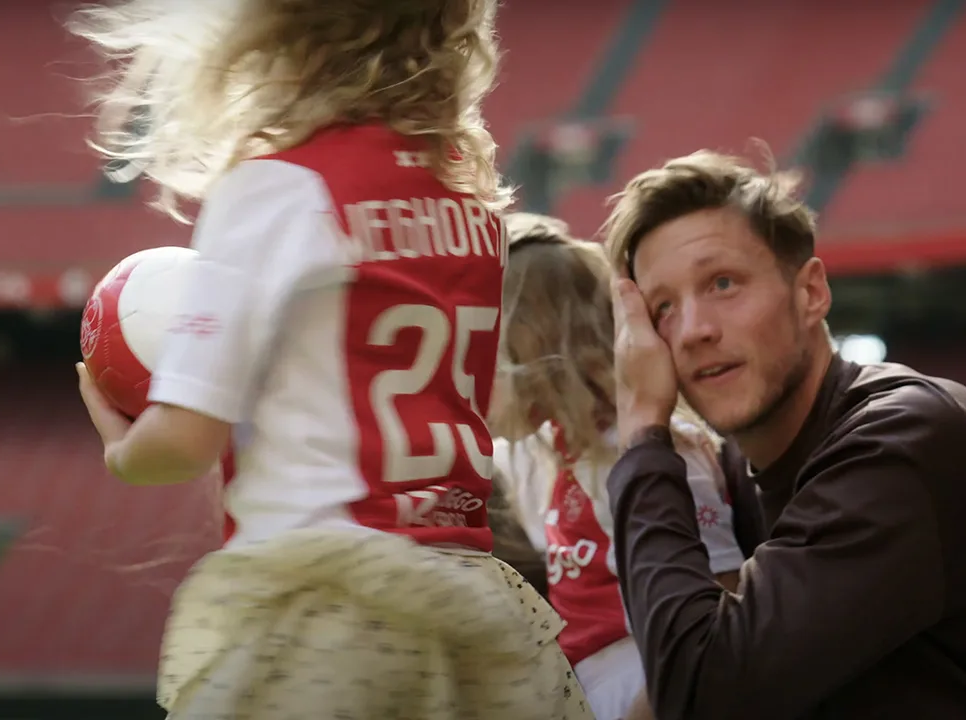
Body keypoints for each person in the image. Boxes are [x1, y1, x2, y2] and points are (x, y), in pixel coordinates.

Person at [70, 2, 592, 718]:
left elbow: (184, 444)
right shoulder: (472, 203)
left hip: (326, 603)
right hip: (471, 602)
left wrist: (123, 447)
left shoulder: (276, 188)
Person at [598, 150, 966, 719]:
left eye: (723, 284)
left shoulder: (900, 440)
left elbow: (701, 694)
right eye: (662, 309)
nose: (694, 329)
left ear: (810, 293)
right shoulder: (741, 473)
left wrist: (645, 434)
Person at [488, 213, 748, 720]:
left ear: (533, 350)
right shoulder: (548, 454)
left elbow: (723, 615)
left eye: (483, 352)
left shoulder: (656, 455)